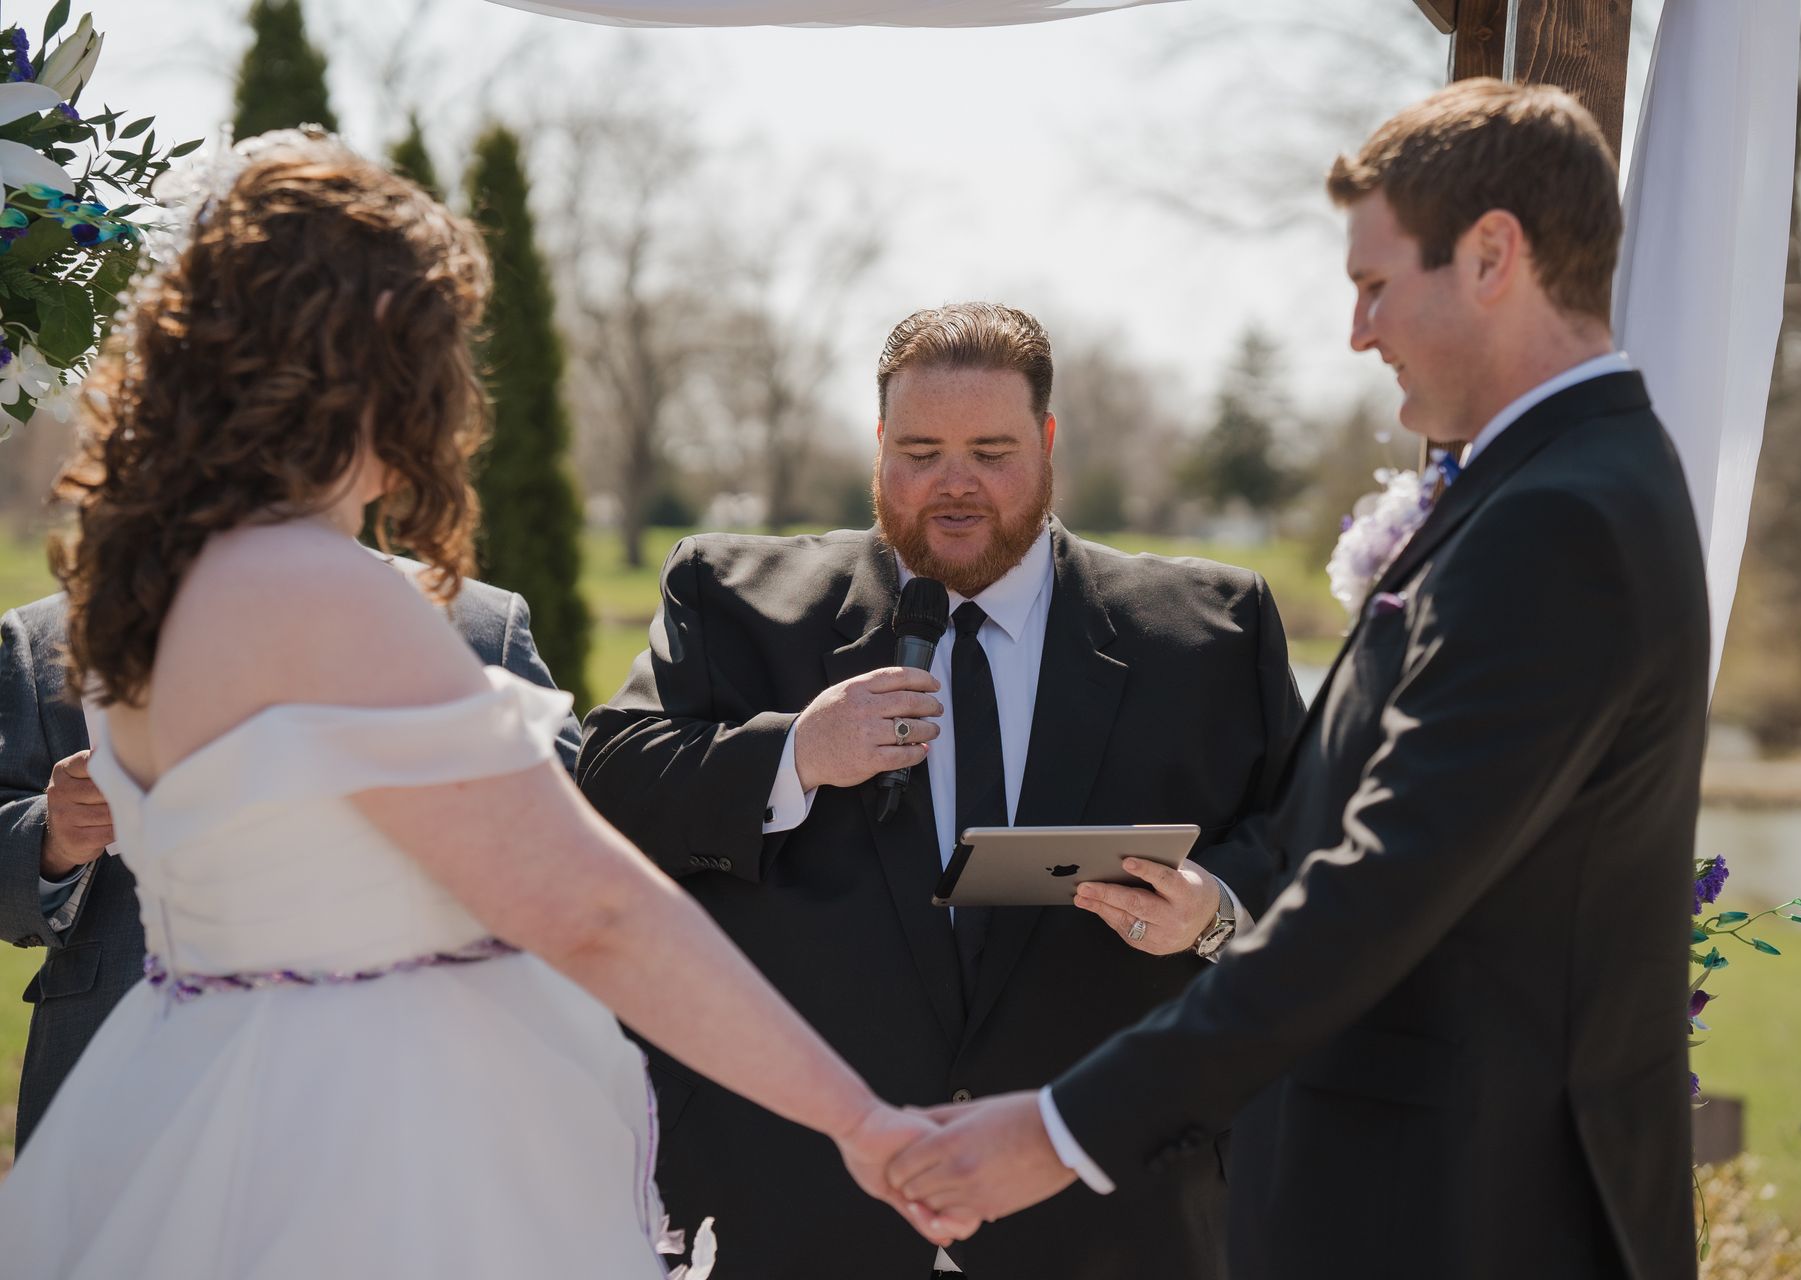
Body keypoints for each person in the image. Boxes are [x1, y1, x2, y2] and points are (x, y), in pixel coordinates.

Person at [0, 130, 970, 1276]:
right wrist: (861, 1119)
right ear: (373, 362)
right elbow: (593, 909)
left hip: (191, 1112)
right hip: (376, 1156)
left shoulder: (145, 594)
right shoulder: (319, 591)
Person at [888, 80, 1708, 1280]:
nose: (1359, 331)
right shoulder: (1547, 485)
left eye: (1375, 285)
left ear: (1493, 256)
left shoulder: (1561, 520)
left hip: (1477, 1213)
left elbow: (1385, 881)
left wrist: (1062, 1126)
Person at [575, 301, 1305, 1279]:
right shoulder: (731, 596)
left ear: (1047, 444)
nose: (955, 483)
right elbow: (610, 780)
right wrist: (797, 752)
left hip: (1107, 1212)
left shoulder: (1210, 631)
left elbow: (1305, 846)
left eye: (991, 450)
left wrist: (1214, 910)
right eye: (920, 450)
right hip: (798, 1205)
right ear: (879, 446)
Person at [1, 571, 576, 1153]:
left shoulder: (473, 623)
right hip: (127, 1089)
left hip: (405, 1078)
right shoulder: (47, 635)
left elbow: (569, 846)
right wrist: (53, 838)